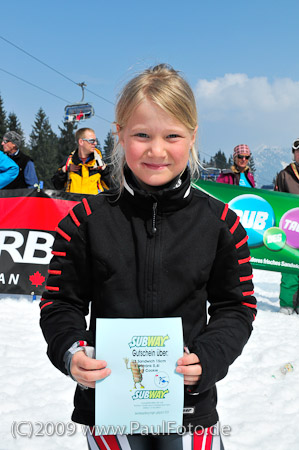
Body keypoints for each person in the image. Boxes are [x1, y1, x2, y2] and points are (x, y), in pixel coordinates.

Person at [40, 64, 256, 449]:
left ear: (192, 137)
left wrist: (209, 357)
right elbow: (60, 302)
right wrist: (72, 351)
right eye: (142, 135)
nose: (157, 150)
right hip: (108, 406)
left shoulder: (221, 223)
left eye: (172, 135)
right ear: (120, 134)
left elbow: (236, 307)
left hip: (190, 407)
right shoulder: (85, 221)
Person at [274, 139, 299, 315]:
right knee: (290, 266)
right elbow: (276, 201)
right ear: (294, 153)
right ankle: (287, 303)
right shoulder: (285, 175)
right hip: (290, 228)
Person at [51, 128, 110, 194]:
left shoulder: (99, 162)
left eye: (95, 141)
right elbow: (57, 185)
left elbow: (113, 186)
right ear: (81, 142)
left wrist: (104, 170)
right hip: (74, 203)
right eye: (92, 141)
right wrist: (65, 169)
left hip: (92, 203)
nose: (95, 143)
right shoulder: (69, 161)